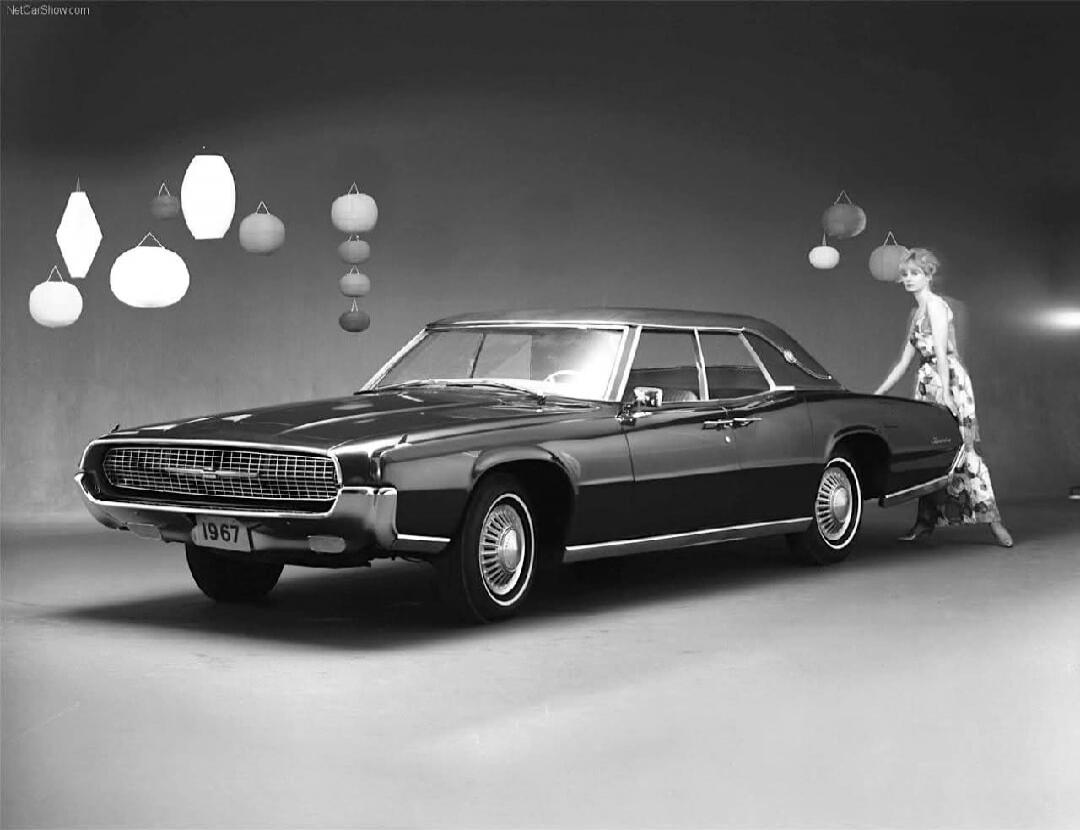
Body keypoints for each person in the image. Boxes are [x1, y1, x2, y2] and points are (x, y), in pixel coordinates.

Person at [874, 247, 1013, 547]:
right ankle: (925, 523)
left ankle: (995, 522)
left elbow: (940, 353)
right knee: (932, 454)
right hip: (926, 383)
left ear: (928, 276)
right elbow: (903, 361)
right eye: (905, 275)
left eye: (915, 274)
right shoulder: (916, 313)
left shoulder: (936, 306)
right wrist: (880, 392)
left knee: (965, 452)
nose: (909, 279)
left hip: (949, 381)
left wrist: (948, 395)